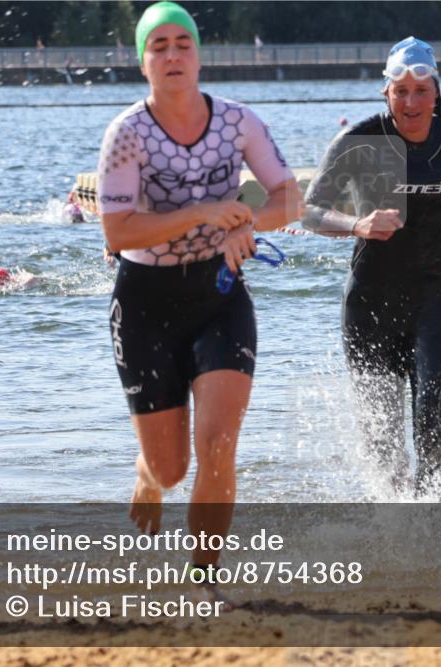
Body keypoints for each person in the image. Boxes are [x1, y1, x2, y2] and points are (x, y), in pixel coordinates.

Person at [97, 1, 301, 595]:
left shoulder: (239, 123)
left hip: (218, 296)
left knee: (218, 446)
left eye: (181, 44)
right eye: (157, 46)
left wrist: (247, 224)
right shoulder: (127, 134)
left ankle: (203, 582)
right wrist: (203, 212)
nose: (171, 55)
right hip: (144, 304)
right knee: (171, 467)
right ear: (143, 64)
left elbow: (289, 198)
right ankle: (147, 472)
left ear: (199, 56)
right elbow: (119, 233)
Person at [302, 36, 441, 497]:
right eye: (401, 90)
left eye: (421, 89)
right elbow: (312, 210)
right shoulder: (359, 141)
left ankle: (437, 545)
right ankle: (398, 534)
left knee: (434, 432)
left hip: (439, 300)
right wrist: (357, 224)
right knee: (383, 444)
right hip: (370, 306)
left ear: (436, 91)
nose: (412, 101)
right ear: (387, 93)